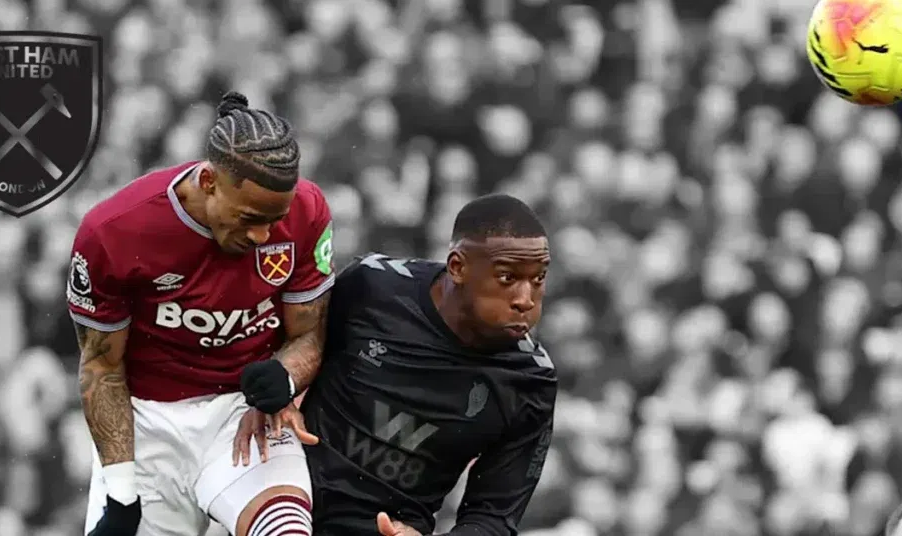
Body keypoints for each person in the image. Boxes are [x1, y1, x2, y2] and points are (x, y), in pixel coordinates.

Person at [68, 91, 334, 536]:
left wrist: (284, 377)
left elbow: (309, 334)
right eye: (249, 218)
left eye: (274, 220)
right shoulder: (113, 233)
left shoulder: (307, 211)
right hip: (149, 420)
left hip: (244, 413)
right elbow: (102, 366)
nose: (263, 234)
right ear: (208, 181)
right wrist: (122, 492)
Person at [235, 193, 557, 536]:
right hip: (286, 498)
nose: (525, 300)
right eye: (507, 278)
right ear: (458, 267)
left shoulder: (530, 381)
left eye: (538, 279)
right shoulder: (374, 286)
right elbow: (298, 342)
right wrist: (279, 392)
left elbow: (493, 518)